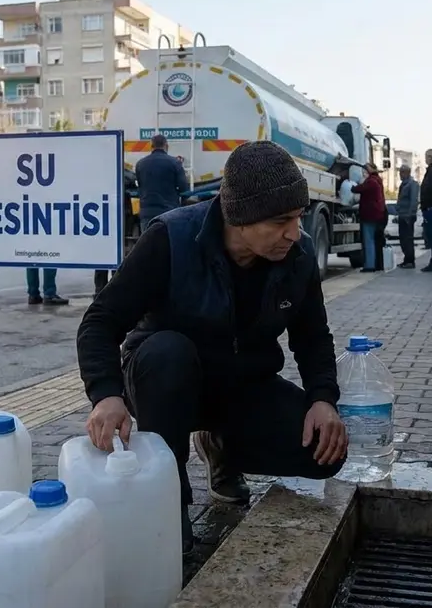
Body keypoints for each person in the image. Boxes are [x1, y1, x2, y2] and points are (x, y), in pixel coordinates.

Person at [76, 141, 349, 555]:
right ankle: (169, 500)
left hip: (240, 383)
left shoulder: (298, 254)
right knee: (168, 353)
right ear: (239, 218)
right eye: (280, 221)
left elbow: (313, 336)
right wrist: (105, 395)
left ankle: (220, 448)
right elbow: (100, 321)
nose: (294, 232)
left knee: (324, 454)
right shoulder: (171, 238)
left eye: (297, 217)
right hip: (165, 381)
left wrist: (323, 399)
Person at [94, 167, 139, 299]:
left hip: (103, 217)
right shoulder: (121, 172)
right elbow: (132, 179)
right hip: (118, 217)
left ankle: (99, 290)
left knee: (103, 255)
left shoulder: (98, 173)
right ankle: (114, 289)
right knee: (116, 254)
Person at [351, 162, 386, 272]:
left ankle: (370, 265)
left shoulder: (371, 181)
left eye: (365, 171)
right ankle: (376, 264)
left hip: (370, 215)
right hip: (378, 214)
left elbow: (358, 189)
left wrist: (352, 186)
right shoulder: (378, 180)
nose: (363, 173)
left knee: (368, 240)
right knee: (374, 241)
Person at [394, 163, 419, 269]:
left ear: (407, 173)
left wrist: (410, 214)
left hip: (408, 216)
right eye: (400, 172)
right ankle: (406, 259)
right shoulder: (403, 184)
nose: (400, 174)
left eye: (402, 172)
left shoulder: (412, 184)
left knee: (408, 239)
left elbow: (414, 200)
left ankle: (410, 261)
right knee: (403, 239)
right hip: (402, 215)